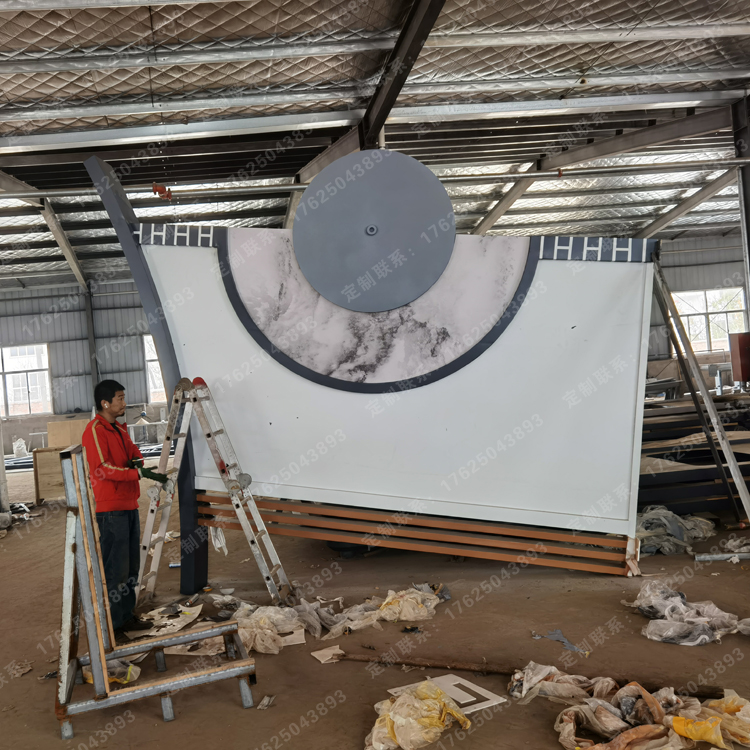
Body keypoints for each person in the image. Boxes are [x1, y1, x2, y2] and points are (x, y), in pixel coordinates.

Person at [82, 379, 168, 635]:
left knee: (131, 568)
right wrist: (136, 473)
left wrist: (137, 462)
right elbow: (100, 469)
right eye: (119, 398)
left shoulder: (118, 429)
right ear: (105, 403)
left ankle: (126, 617)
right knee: (115, 570)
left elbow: (133, 453)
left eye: (123, 397)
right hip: (111, 510)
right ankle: (113, 627)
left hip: (128, 505)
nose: (124, 402)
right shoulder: (95, 430)